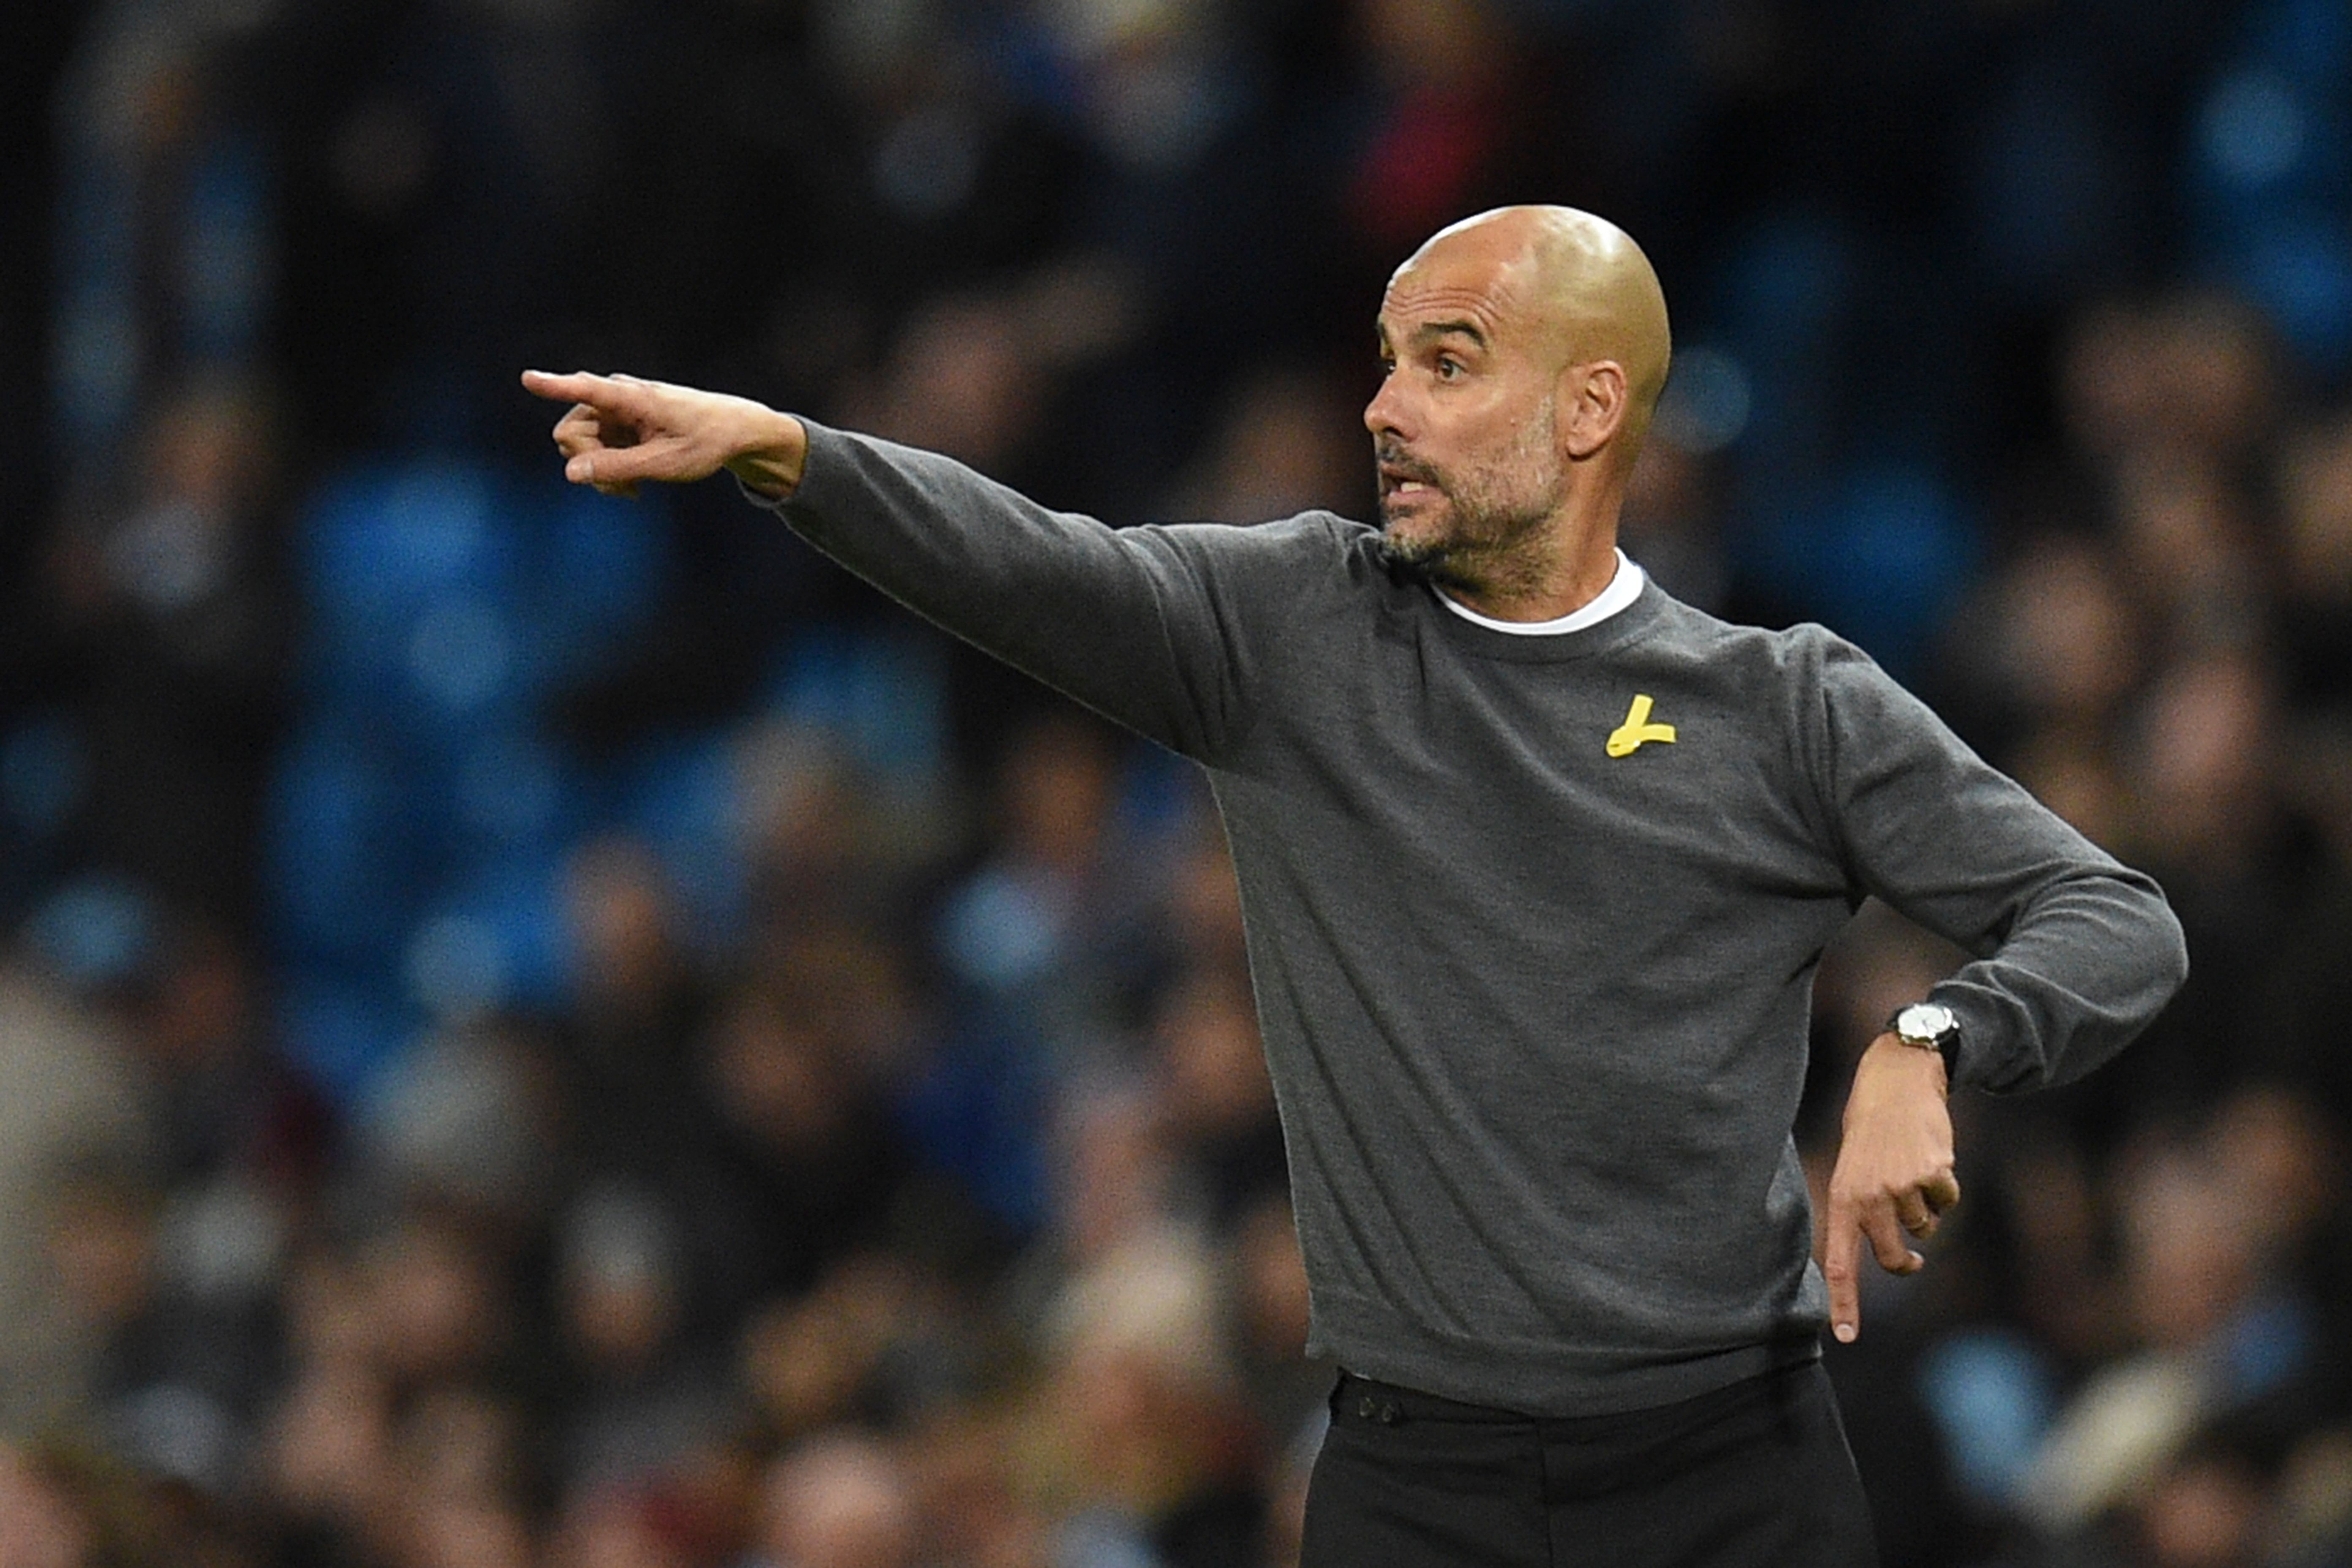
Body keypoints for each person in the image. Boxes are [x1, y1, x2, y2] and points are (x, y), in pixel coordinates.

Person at [522, 205, 2187, 1566]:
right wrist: (788, 454)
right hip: (1416, 1485)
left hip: (1730, 1481)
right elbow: (1033, 564)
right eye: (1386, 364)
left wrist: (1932, 1034)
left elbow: (2118, 923)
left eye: (1447, 365)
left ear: (1590, 409)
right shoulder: (1292, 629)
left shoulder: (1787, 702)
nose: (1383, 407)